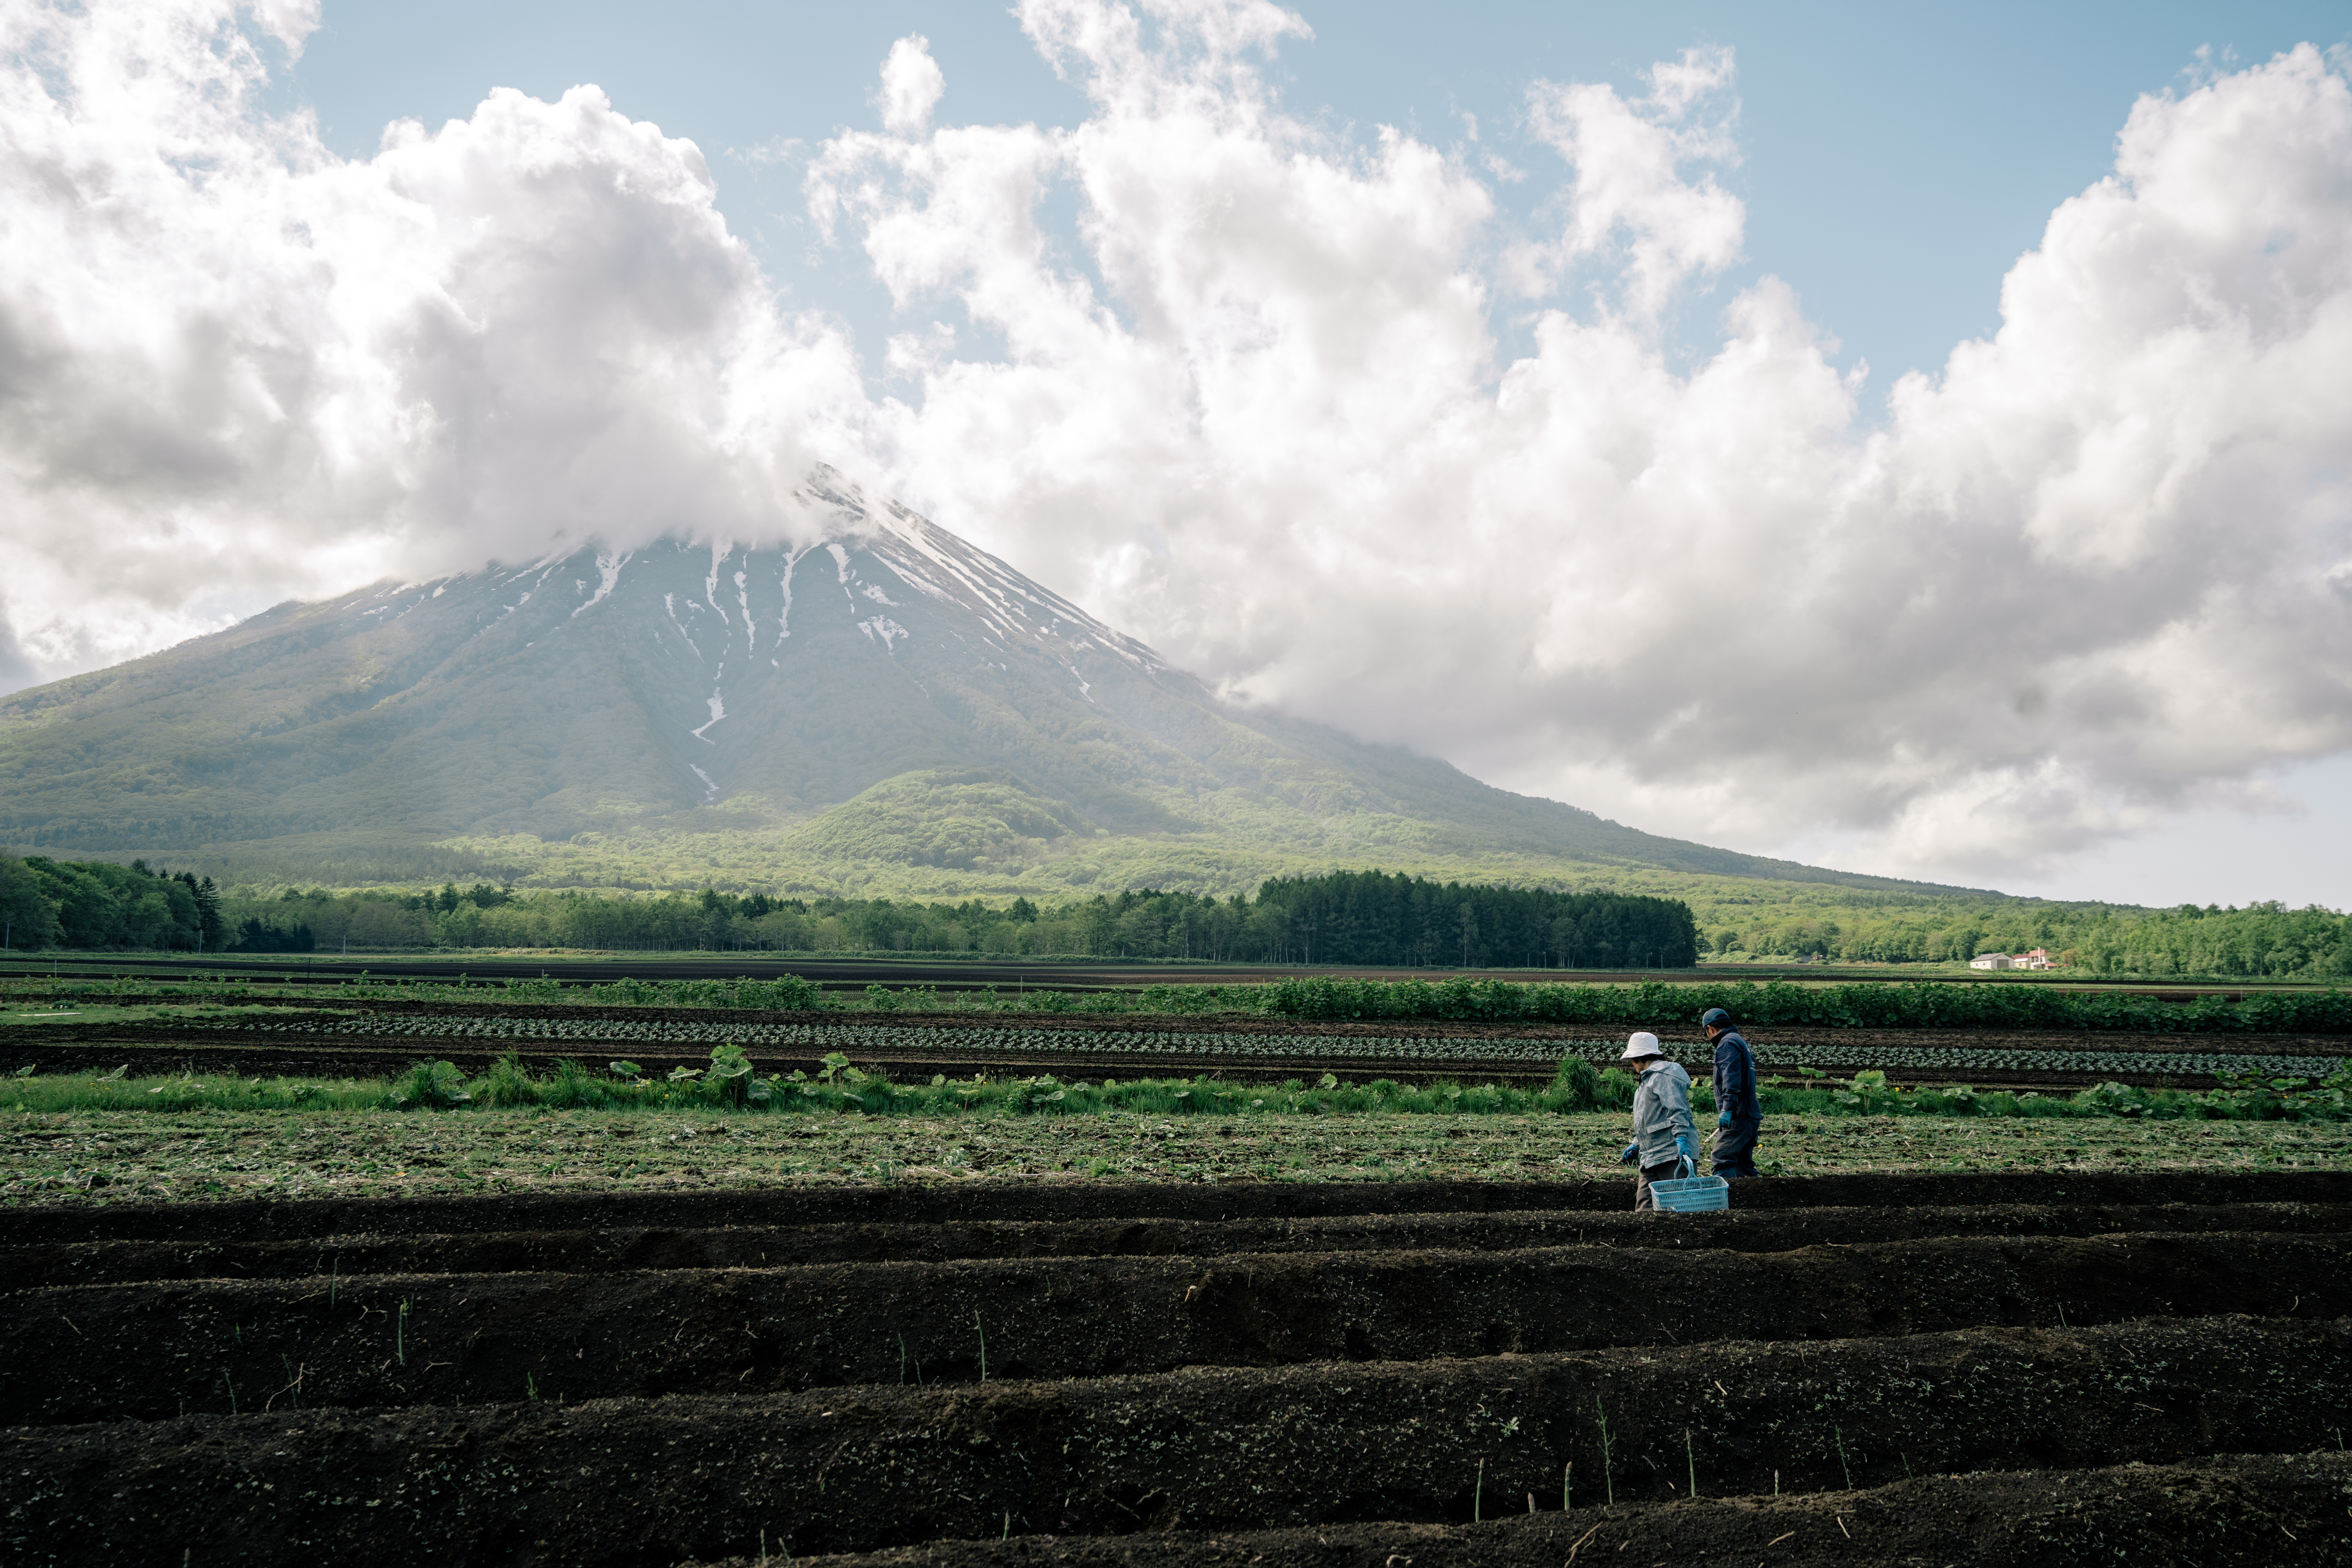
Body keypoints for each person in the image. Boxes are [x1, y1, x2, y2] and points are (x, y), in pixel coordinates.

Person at [1614, 1032, 1698, 1212]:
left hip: (1672, 1153)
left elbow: (1677, 1110)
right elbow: (1648, 1120)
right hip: (1650, 1155)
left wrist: (1682, 1139)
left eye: (1633, 1061)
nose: (1633, 1066)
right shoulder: (1645, 1082)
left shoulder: (1664, 1076)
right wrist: (1636, 1144)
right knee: (1644, 1208)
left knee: (1681, 1208)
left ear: (1640, 1057)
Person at [1703, 1006, 1762, 1178]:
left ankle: (1727, 1203)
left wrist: (1728, 1109)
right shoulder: (1739, 1040)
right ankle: (1758, 1203)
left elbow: (1732, 1077)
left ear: (1710, 1029)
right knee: (1743, 1165)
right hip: (1750, 1112)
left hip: (1738, 1113)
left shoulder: (1727, 1044)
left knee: (1722, 1159)